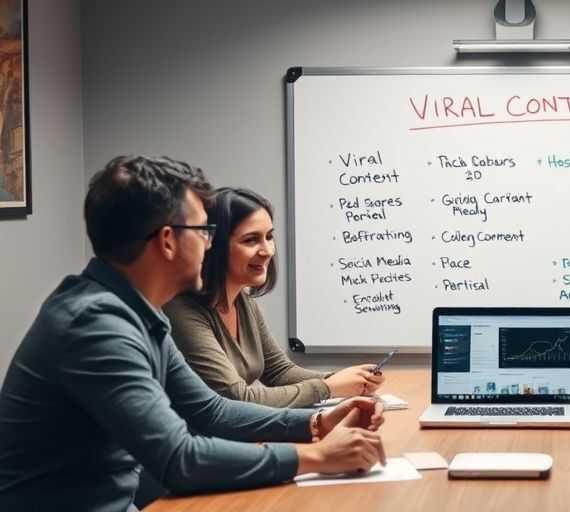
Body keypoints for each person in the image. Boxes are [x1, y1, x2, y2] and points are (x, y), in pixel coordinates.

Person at [0, 156, 388, 511]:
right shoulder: (96, 327)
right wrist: (317, 457)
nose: (209, 244)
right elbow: (178, 459)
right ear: (168, 240)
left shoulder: (134, 311)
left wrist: (316, 424)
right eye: (203, 231)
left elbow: (211, 410)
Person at [164, 187, 383, 408]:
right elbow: (237, 398)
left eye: (269, 237)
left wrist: (347, 381)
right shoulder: (181, 311)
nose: (268, 250)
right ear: (213, 246)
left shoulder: (243, 301)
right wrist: (329, 387)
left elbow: (280, 372)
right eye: (251, 240)